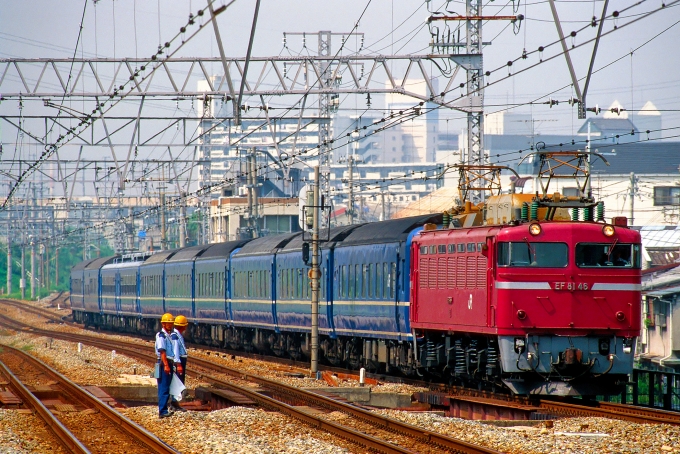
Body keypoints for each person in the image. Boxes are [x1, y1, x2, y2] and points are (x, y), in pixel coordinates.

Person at [155, 313, 176, 418]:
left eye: (171, 323)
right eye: (168, 323)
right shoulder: (161, 336)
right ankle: (162, 411)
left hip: (167, 363)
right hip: (164, 364)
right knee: (163, 388)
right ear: (163, 324)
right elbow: (162, 352)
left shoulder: (168, 335)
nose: (170, 325)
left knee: (166, 387)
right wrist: (166, 365)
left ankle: (164, 409)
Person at [169, 314, 189, 412]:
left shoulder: (177, 335)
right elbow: (176, 351)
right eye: (185, 325)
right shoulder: (175, 336)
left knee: (179, 382)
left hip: (181, 360)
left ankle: (176, 403)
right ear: (182, 326)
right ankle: (174, 403)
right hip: (179, 361)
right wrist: (178, 364)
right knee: (178, 383)